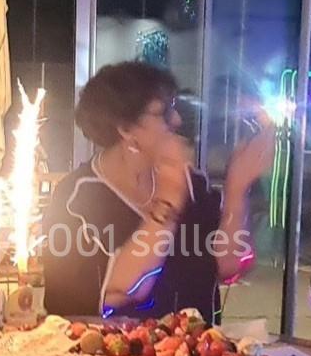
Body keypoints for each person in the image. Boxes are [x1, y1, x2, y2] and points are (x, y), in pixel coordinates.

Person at [42, 62, 274, 321]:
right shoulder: (76, 199)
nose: (176, 120)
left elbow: (230, 266)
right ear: (126, 129)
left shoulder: (193, 183)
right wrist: (167, 202)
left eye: (174, 107)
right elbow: (122, 290)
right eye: (163, 112)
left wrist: (236, 190)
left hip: (197, 353)